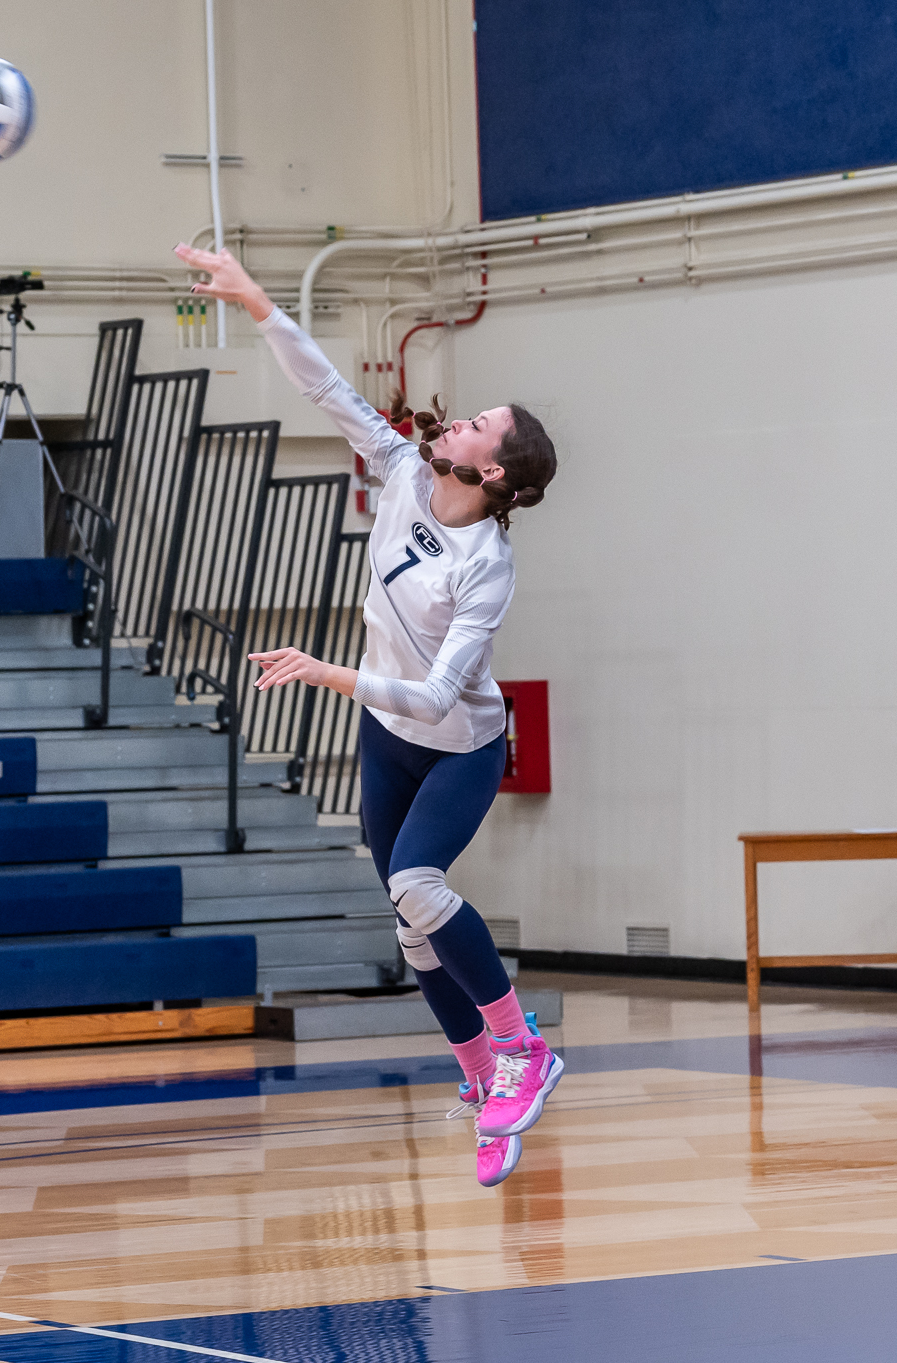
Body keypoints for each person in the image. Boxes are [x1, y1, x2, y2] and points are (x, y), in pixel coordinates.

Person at [176, 241, 562, 1189]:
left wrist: (326, 672)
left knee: (421, 883)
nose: (458, 420)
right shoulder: (398, 469)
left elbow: (437, 696)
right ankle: (478, 1072)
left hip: (458, 746)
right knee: (407, 921)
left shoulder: (487, 568)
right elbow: (326, 390)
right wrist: (259, 302)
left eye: (477, 423)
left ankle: (523, 1050)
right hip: (389, 740)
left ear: (497, 474)